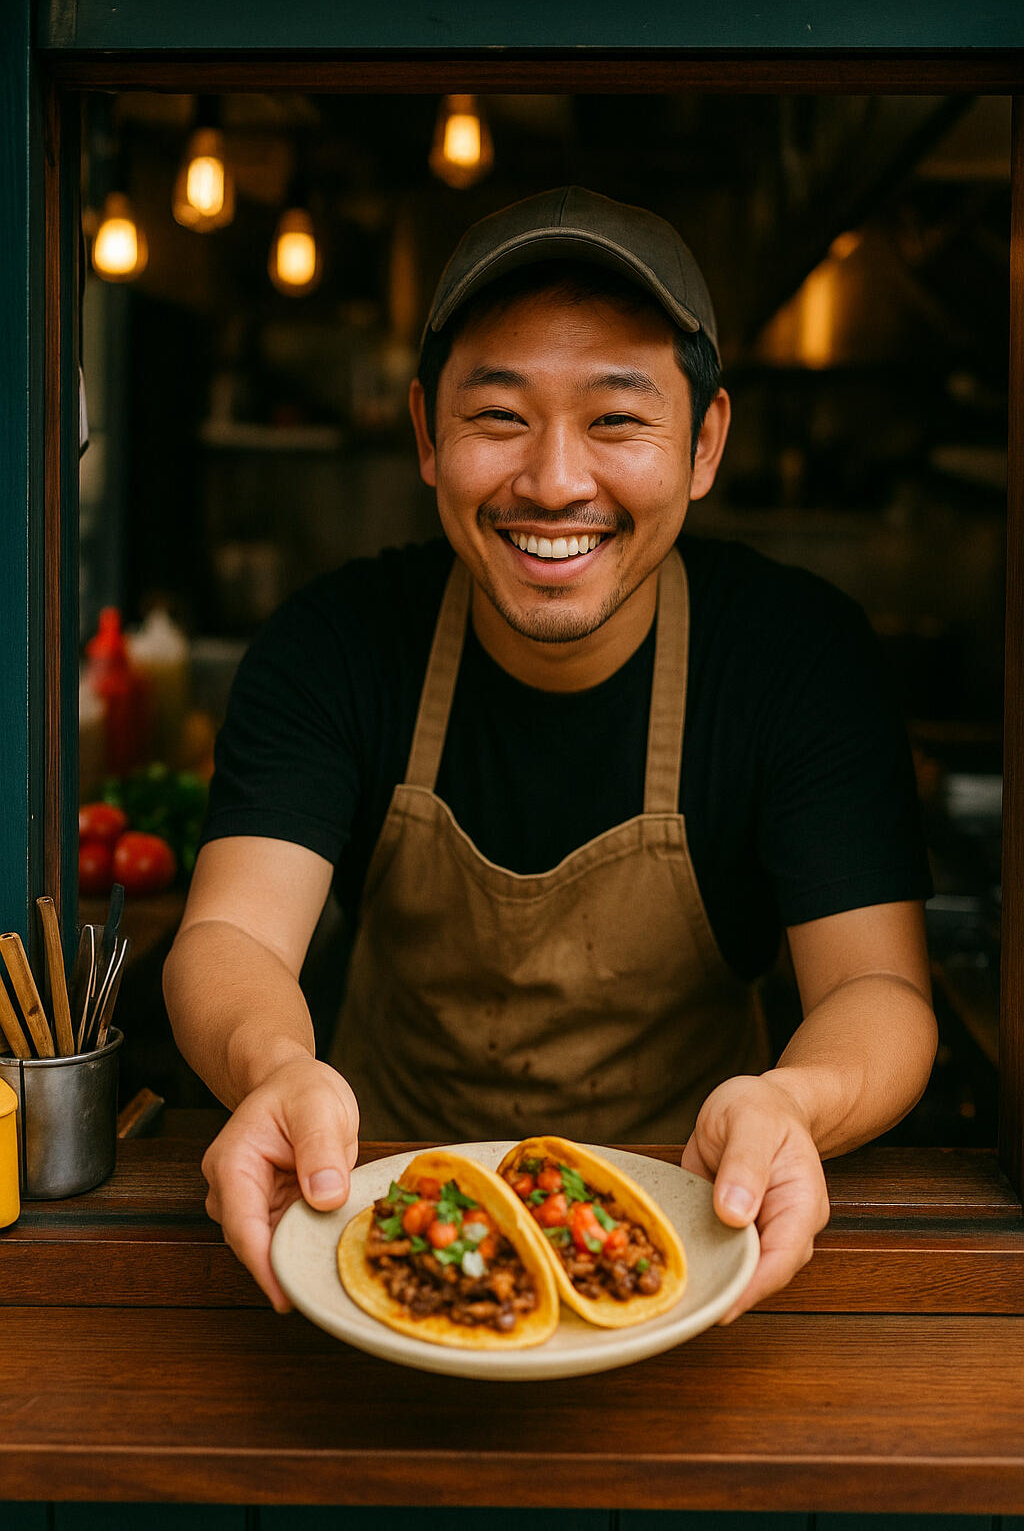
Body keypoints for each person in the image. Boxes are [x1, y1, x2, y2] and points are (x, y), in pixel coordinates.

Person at [164, 186, 937, 1321]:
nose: (555, 481)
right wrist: (271, 1069)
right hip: (372, 1240)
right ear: (427, 435)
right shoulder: (336, 645)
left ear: (705, 441)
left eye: (617, 419)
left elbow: (878, 987)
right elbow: (229, 931)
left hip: (695, 1243)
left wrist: (795, 1102)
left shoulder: (793, 662)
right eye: (499, 417)